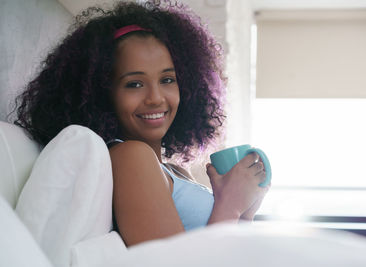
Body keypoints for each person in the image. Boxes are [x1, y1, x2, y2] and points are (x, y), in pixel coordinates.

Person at [13, 0, 270, 247]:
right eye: (134, 84)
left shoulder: (174, 169)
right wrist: (231, 204)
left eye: (168, 80)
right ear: (101, 93)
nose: (156, 98)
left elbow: (230, 251)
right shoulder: (130, 157)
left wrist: (246, 209)